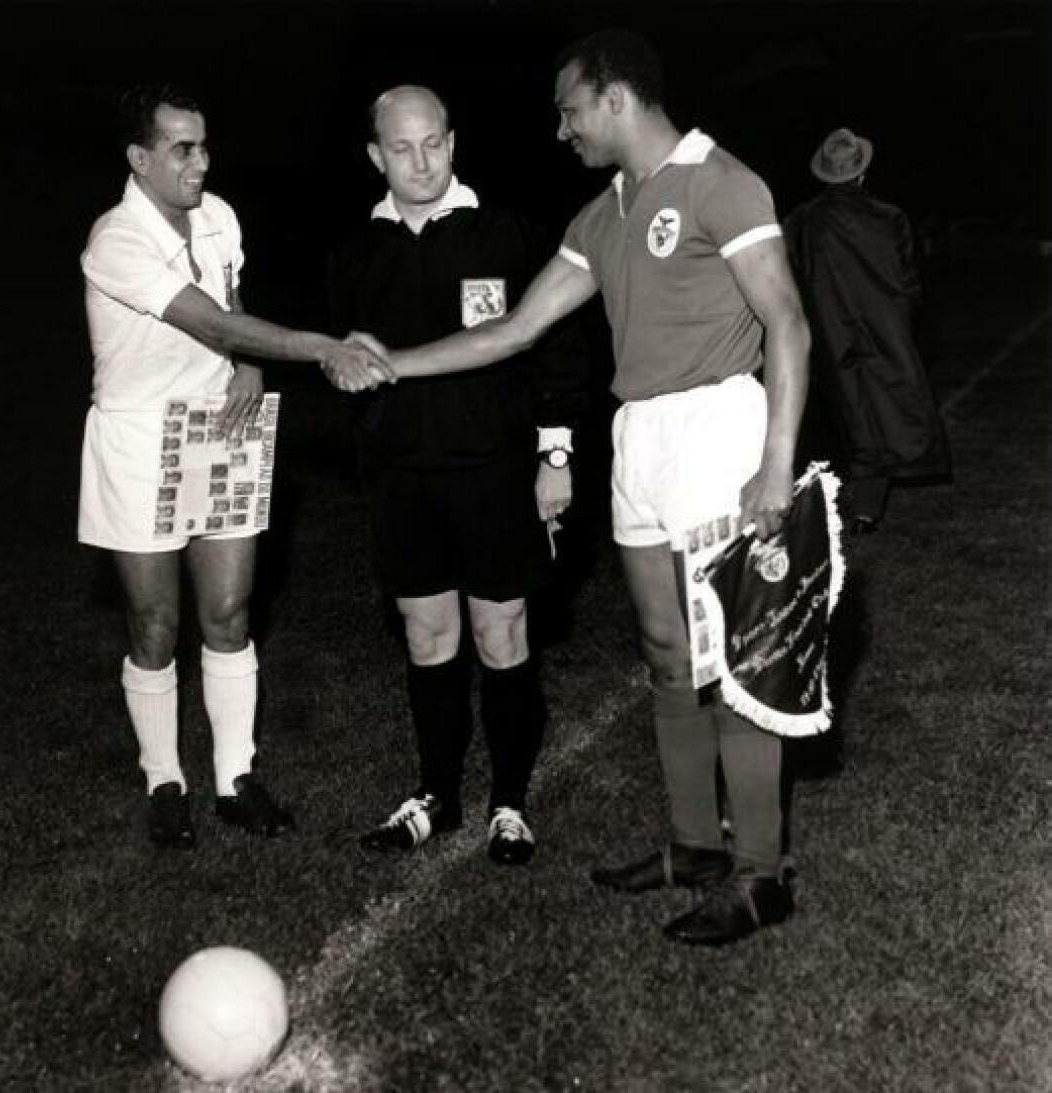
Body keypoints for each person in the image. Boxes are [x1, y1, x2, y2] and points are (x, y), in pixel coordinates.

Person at [342, 31, 812, 943]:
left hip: (720, 428)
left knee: (736, 660)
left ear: (614, 98)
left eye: (569, 111)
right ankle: (694, 846)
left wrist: (776, 462)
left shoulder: (722, 182)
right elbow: (515, 330)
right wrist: (388, 362)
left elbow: (786, 322)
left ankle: (761, 872)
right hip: (639, 435)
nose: (563, 131)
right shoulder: (602, 214)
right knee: (666, 652)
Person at [79, 83, 390, 848]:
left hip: (219, 425)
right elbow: (211, 321)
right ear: (139, 158)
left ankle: (234, 779)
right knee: (155, 622)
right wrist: (320, 347)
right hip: (137, 439)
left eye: (205, 145)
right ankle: (164, 780)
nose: (201, 162)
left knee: (227, 611)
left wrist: (249, 365)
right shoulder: (116, 239)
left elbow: (231, 301)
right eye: (182, 148)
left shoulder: (218, 215)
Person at [327, 86, 590, 865]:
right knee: (427, 635)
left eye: (433, 143)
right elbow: (341, 366)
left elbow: (559, 349)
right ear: (375, 156)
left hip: (496, 473)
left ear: (452, 141)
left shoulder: (507, 236)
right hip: (402, 480)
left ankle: (509, 802)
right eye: (401, 148)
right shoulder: (354, 255)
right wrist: (369, 427)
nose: (421, 162)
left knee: (501, 633)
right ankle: (436, 795)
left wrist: (554, 455)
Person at [785, 127, 950, 533]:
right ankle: (862, 505)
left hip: (829, 335)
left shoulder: (803, 222)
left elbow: (788, 276)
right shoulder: (889, 218)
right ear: (862, 173)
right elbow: (911, 282)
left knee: (853, 412)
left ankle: (862, 506)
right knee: (884, 407)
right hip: (883, 330)